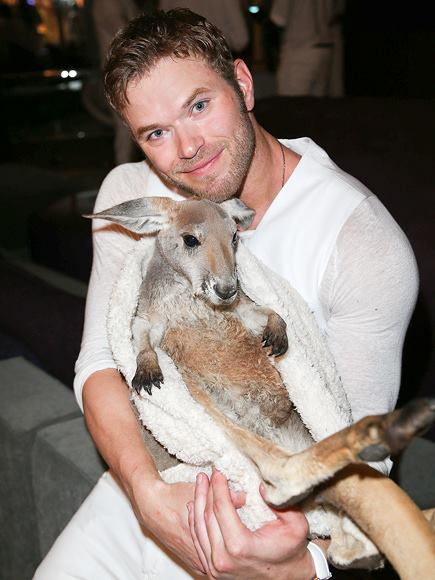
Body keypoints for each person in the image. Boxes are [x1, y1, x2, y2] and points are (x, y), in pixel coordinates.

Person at [34, 8, 418, 580]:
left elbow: (362, 454)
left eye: (198, 105)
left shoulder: (360, 242)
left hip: (273, 519)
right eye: (156, 133)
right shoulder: (134, 192)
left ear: (242, 83)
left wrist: (299, 566)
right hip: (150, 481)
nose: (187, 147)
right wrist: (148, 498)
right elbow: (100, 363)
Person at [270, 0, 346, 97]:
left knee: (290, 102)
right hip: (325, 48)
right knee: (316, 103)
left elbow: (278, 19)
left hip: (300, 49)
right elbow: (337, 13)